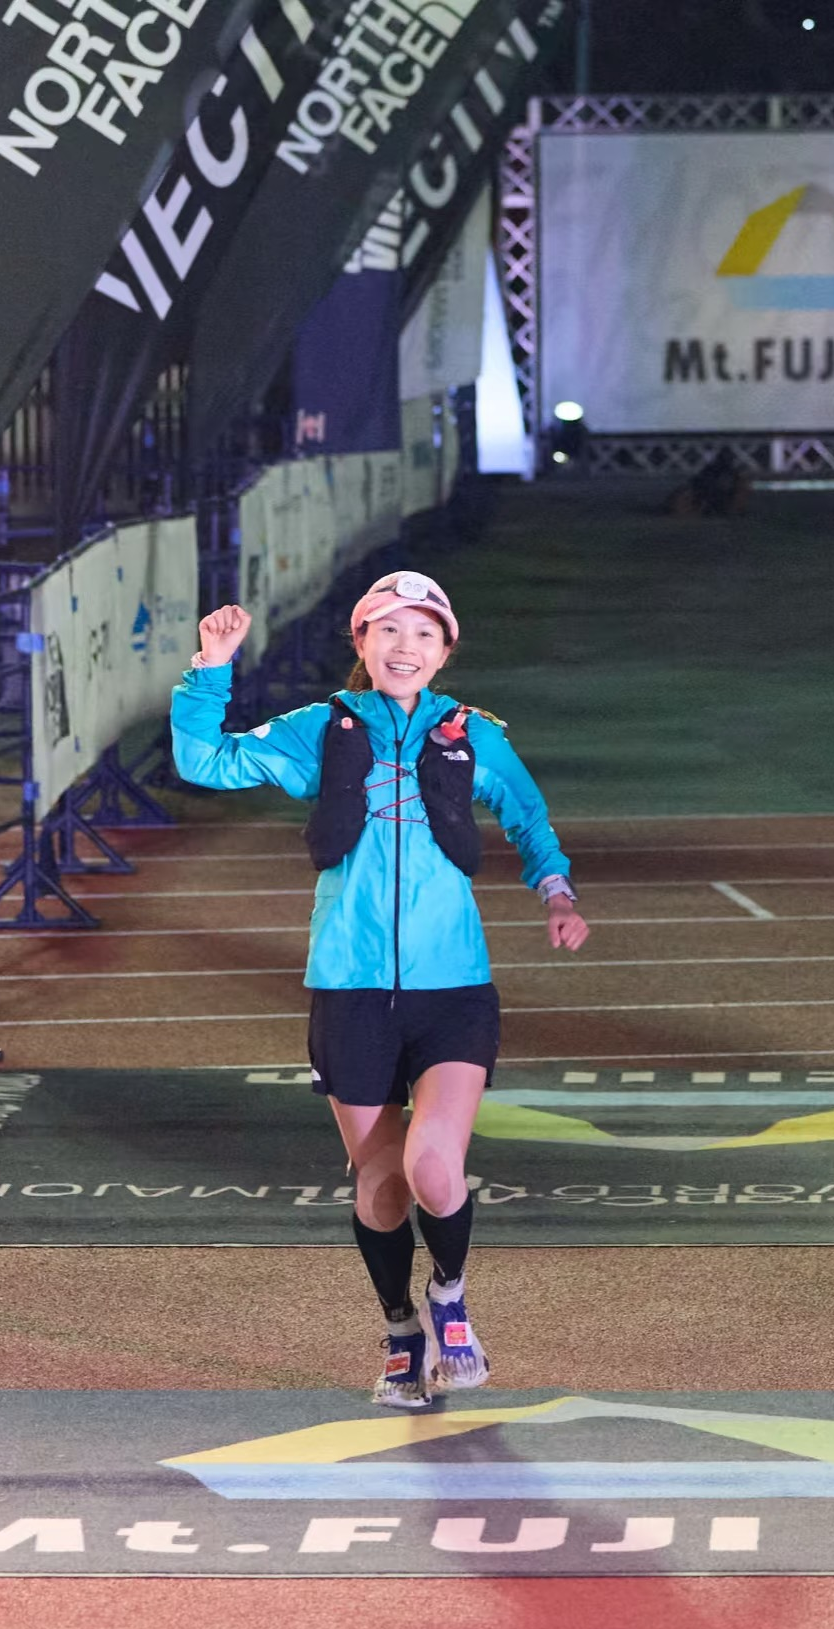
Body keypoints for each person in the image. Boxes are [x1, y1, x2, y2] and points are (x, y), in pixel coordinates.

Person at [171, 569, 590, 1407]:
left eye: (425, 633)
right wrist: (209, 670)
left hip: (453, 987)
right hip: (349, 988)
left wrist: (556, 890)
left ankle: (451, 1298)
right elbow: (204, 760)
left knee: (433, 1165)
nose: (407, 646)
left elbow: (527, 815)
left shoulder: (471, 733)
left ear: (445, 651)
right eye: (389, 630)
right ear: (361, 641)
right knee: (381, 1184)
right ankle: (401, 1329)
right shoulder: (317, 729)